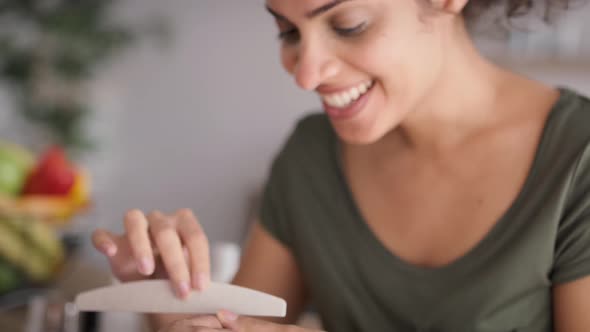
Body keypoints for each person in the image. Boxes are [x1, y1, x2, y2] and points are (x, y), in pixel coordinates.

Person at [92, 0, 590, 331]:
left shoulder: (577, 159)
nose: (306, 74)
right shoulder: (310, 154)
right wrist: (170, 292)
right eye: (288, 31)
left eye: (347, 25)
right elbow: (230, 323)